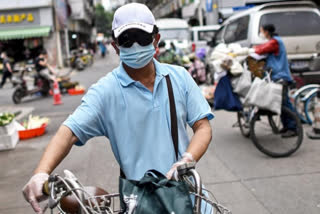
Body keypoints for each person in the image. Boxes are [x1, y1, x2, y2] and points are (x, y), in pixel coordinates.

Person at [22, 3, 213, 214]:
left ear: (155, 40)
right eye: (126, 40)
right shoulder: (105, 91)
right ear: (115, 46)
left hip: (190, 199)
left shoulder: (179, 77)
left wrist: (187, 160)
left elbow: (202, 126)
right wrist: (41, 173)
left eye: (141, 37)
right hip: (140, 205)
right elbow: (68, 132)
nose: (135, 46)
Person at [253, 24, 297, 138]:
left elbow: (261, 50)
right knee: (281, 102)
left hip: (281, 75)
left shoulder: (275, 42)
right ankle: (287, 126)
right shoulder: (273, 41)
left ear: (266, 32)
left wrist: (249, 50)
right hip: (276, 76)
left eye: (261, 31)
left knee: (285, 103)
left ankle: (293, 127)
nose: (261, 33)